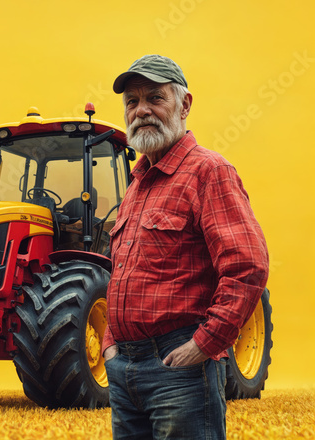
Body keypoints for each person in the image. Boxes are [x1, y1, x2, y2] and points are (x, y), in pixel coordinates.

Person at [103, 54, 269, 440]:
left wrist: (204, 344)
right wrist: (111, 345)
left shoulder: (209, 172)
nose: (141, 110)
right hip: (124, 369)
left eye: (155, 98)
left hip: (179, 368)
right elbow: (121, 273)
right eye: (132, 102)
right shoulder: (135, 187)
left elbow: (248, 267)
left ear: (185, 104)